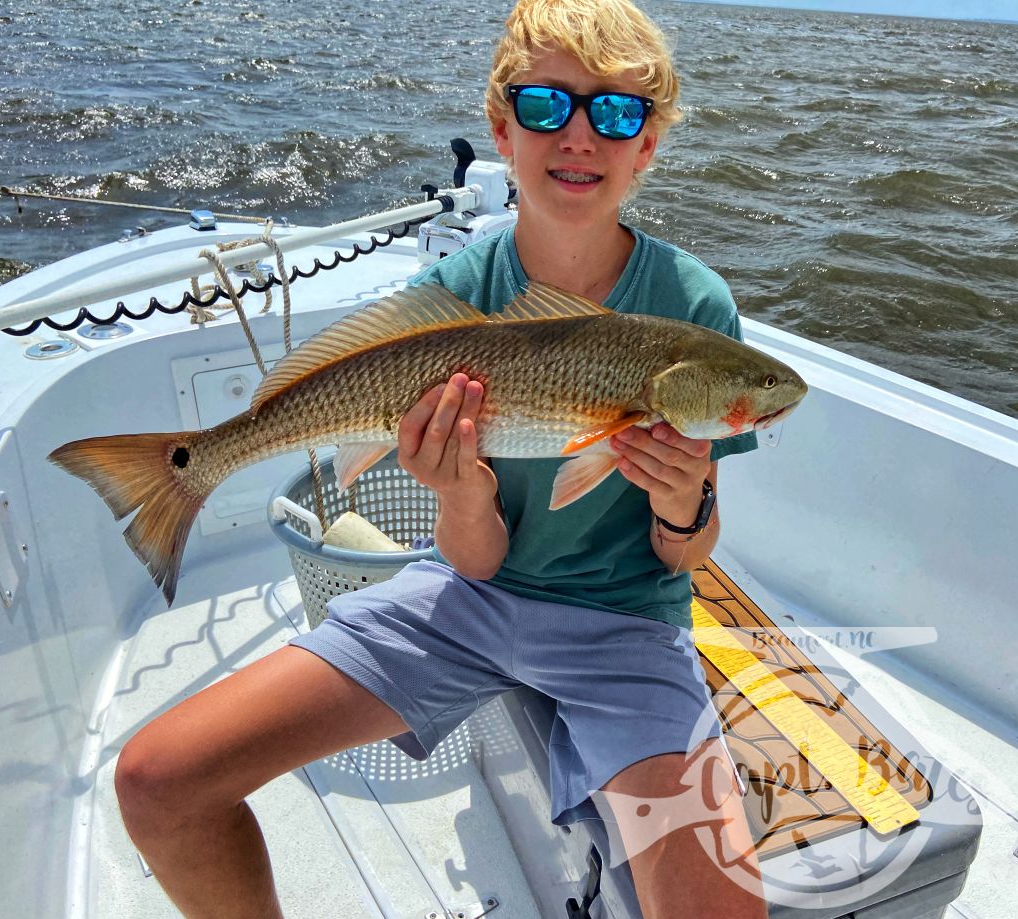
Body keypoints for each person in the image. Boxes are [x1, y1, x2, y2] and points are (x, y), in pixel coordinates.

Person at [113, 1, 768, 916]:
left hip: (627, 622)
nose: (581, 133)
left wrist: (683, 504)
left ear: (647, 147)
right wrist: (458, 492)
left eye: (616, 112)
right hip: (467, 596)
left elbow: (683, 559)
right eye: (547, 105)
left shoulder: (694, 307)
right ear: (501, 127)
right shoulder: (457, 295)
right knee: (156, 778)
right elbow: (474, 561)